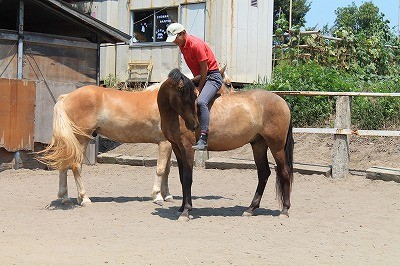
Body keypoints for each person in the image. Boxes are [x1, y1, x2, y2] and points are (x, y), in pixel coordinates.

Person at [166, 23, 222, 150]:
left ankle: (203, 137)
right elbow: (196, 70)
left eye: (175, 38)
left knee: (201, 101)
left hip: (212, 76)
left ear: (183, 33)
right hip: (200, 76)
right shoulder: (182, 45)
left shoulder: (196, 45)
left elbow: (204, 68)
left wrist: (199, 88)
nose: (174, 42)